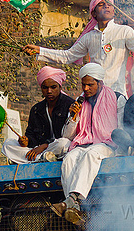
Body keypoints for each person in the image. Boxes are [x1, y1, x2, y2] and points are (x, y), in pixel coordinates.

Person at [23, 0, 134, 96]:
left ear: (114, 11)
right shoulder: (89, 37)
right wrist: (40, 51)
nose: (107, 6)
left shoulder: (124, 31)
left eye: (109, 4)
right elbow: (67, 56)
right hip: (93, 94)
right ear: (93, 13)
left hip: (116, 93)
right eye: (101, 4)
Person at [50, 63, 119, 226]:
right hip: (83, 143)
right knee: (69, 159)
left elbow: (122, 127)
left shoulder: (117, 97)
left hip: (107, 144)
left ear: (100, 84)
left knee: (91, 154)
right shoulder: (79, 102)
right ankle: (73, 208)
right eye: (84, 84)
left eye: (90, 84)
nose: (86, 88)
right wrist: (74, 116)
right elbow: (68, 135)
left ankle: (71, 201)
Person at [1, 66, 74, 164]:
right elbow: (31, 136)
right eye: (45, 88)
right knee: (8, 144)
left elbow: (70, 136)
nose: (49, 91)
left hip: (56, 147)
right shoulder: (36, 109)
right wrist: (26, 141)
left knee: (64, 143)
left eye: (53, 87)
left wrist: (45, 146)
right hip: (39, 150)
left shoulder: (69, 104)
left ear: (60, 87)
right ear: (41, 88)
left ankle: (37, 158)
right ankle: (42, 158)